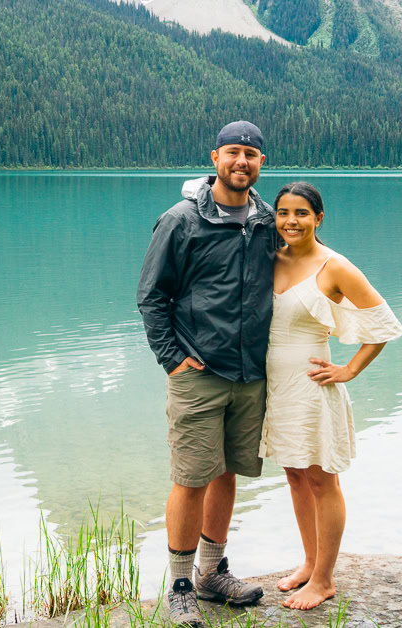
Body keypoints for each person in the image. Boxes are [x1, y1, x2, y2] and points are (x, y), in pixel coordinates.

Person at [137, 121, 280, 625]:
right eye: (234, 153)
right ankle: (179, 585)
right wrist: (172, 358)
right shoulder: (180, 220)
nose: (243, 162)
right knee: (191, 477)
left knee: (228, 471)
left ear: (262, 163)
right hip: (198, 371)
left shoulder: (268, 220)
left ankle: (212, 572)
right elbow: (152, 296)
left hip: (250, 373)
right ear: (215, 157)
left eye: (252, 155)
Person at [261, 181, 402, 610]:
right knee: (294, 475)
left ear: (318, 218)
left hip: (312, 383)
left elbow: (383, 326)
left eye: (301, 213)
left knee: (322, 479)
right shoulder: (268, 259)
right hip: (272, 385)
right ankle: (308, 562)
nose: (291, 221)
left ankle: (323, 580)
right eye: (284, 212)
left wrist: (349, 370)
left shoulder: (335, 266)